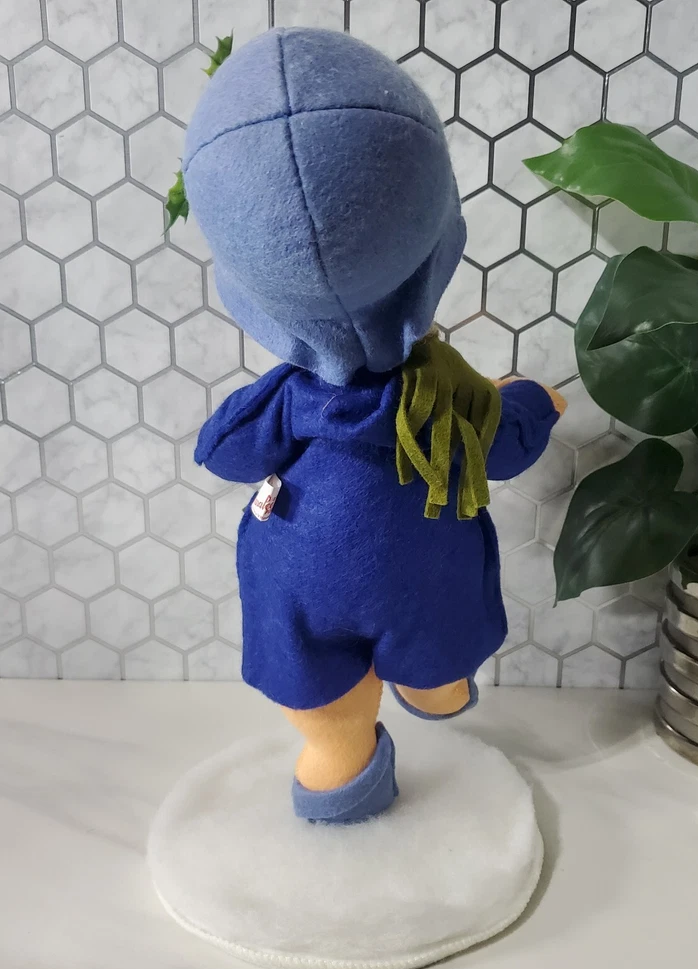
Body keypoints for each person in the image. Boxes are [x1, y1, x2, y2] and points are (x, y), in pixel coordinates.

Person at [183, 27, 565, 824]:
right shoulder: (447, 396)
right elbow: (503, 444)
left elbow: (222, 451)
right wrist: (538, 400)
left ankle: (337, 771)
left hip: (298, 578)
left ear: (250, 294)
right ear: (437, 250)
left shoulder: (283, 401)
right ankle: (433, 683)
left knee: (327, 713)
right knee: (434, 626)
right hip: (420, 570)